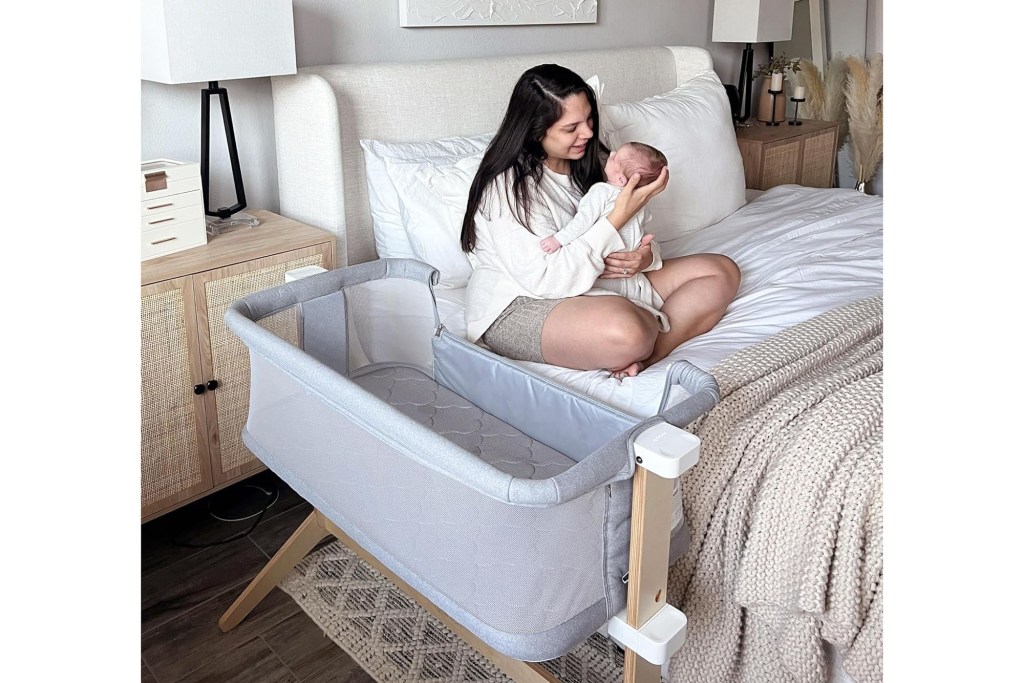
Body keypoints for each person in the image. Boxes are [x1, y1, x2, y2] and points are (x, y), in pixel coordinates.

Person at [460, 63, 740, 378]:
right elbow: (548, 280)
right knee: (628, 330)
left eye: (590, 119)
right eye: (571, 128)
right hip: (525, 302)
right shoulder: (510, 188)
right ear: (536, 130)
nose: (589, 133)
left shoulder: (598, 164)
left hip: (598, 285)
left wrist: (644, 258)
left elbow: (632, 237)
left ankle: (646, 355)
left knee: (721, 271)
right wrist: (617, 217)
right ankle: (638, 338)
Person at [538, 141, 669, 332]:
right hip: (629, 280)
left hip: (601, 275)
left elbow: (582, 222)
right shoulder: (640, 205)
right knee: (634, 321)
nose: (612, 153)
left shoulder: (601, 192)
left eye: (615, 158)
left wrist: (558, 239)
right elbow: (643, 228)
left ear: (622, 180)